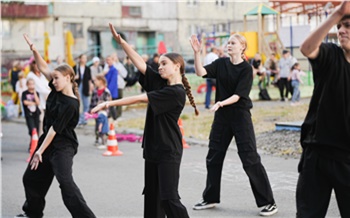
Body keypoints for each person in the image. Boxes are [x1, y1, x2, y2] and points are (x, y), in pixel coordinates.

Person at [92, 23, 199, 218]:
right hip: (152, 148)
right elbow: (140, 64)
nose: (160, 67)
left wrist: (109, 104)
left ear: (177, 66)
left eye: (164, 64)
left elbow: (141, 98)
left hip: (168, 150)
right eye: (159, 64)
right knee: (152, 196)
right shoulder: (160, 82)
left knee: (169, 198)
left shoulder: (176, 92)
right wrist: (122, 42)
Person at [189, 34, 277, 216]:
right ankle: (210, 197)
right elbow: (200, 73)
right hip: (222, 118)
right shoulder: (221, 64)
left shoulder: (246, 69)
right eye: (228, 43)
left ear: (242, 47)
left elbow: (238, 95)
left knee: (250, 159)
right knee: (213, 156)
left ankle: (268, 202)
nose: (229, 45)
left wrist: (221, 103)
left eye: (233, 43)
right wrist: (197, 53)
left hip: (240, 116)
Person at [16, 34, 96, 218]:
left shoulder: (71, 103)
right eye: (52, 79)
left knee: (65, 183)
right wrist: (35, 50)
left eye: (56, 78)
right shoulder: (56, 88)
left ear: (68, 78)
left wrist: (39, 151)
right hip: (48, 141)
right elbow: (44, 67)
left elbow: (54, 129)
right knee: (31, 178)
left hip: (63, 145)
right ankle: (32, 213)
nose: (53, 81)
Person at [297, 1, 350, 217]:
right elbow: (307, 49)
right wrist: (336, 15)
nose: (341, 30)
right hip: (317, 154)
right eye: (340, 26)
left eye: (347, 26)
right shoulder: (330, 55)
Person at [26, 61, 51, 136]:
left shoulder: (42, 76)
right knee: (40, 122)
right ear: (33, 65)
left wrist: (49, 90)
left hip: (45, 102)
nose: (38, 67)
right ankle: (38, 141)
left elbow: (47, 85)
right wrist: (49, 91)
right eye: (37, 65)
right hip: (36, 103)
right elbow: (40, 88)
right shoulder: (31, 76)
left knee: (45, 122)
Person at [89, 75, 111, 148]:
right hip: (96, 112)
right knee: (97, 126)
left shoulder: (106, 91)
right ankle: (97, 138)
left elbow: (108, 102)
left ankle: (104, 140)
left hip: (103, 113)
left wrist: (103, 107)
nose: (94, 82)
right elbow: (92, 101)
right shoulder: (95, 91)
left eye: (96, 80)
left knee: (103, 126)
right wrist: (91, 110)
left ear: (101, 81)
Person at [74, 54, 93, 126]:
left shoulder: (87, 68)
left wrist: (90, 88)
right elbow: (70, 78)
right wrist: (75, 78)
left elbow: (89, 79)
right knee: (78, 104)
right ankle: (78, 120)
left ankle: (84, 119)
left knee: (86, 104)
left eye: (85, 58)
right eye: (83, 58)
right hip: (78, 87)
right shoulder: (75, 67)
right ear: (80, 59)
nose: (85, 60)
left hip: (85, 87)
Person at [21, 78, 40, 151]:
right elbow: (25, 102)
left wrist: (34, 92)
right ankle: (32, 145)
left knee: (36, 130)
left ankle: (33, 145)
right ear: (27, 85)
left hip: (36, 114)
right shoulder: (25, 93)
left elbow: (38, 102)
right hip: (29, 114)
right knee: (32, 130)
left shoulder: (36, 93)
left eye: (33, 84)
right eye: (30, 84)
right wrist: (33, 103)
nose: (31, 86)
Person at [104, 55, 119, 122]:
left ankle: (115, 119)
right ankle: (110, 118)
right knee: (108, 106)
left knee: (112, 106)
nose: (108, 61)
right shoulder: (106, 70)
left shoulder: (114, 70)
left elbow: (113, 82)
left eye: (109, 60)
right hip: (107, 90)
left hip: (111, 91)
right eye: (107, 60)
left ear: (112, 61)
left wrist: (108, 91)